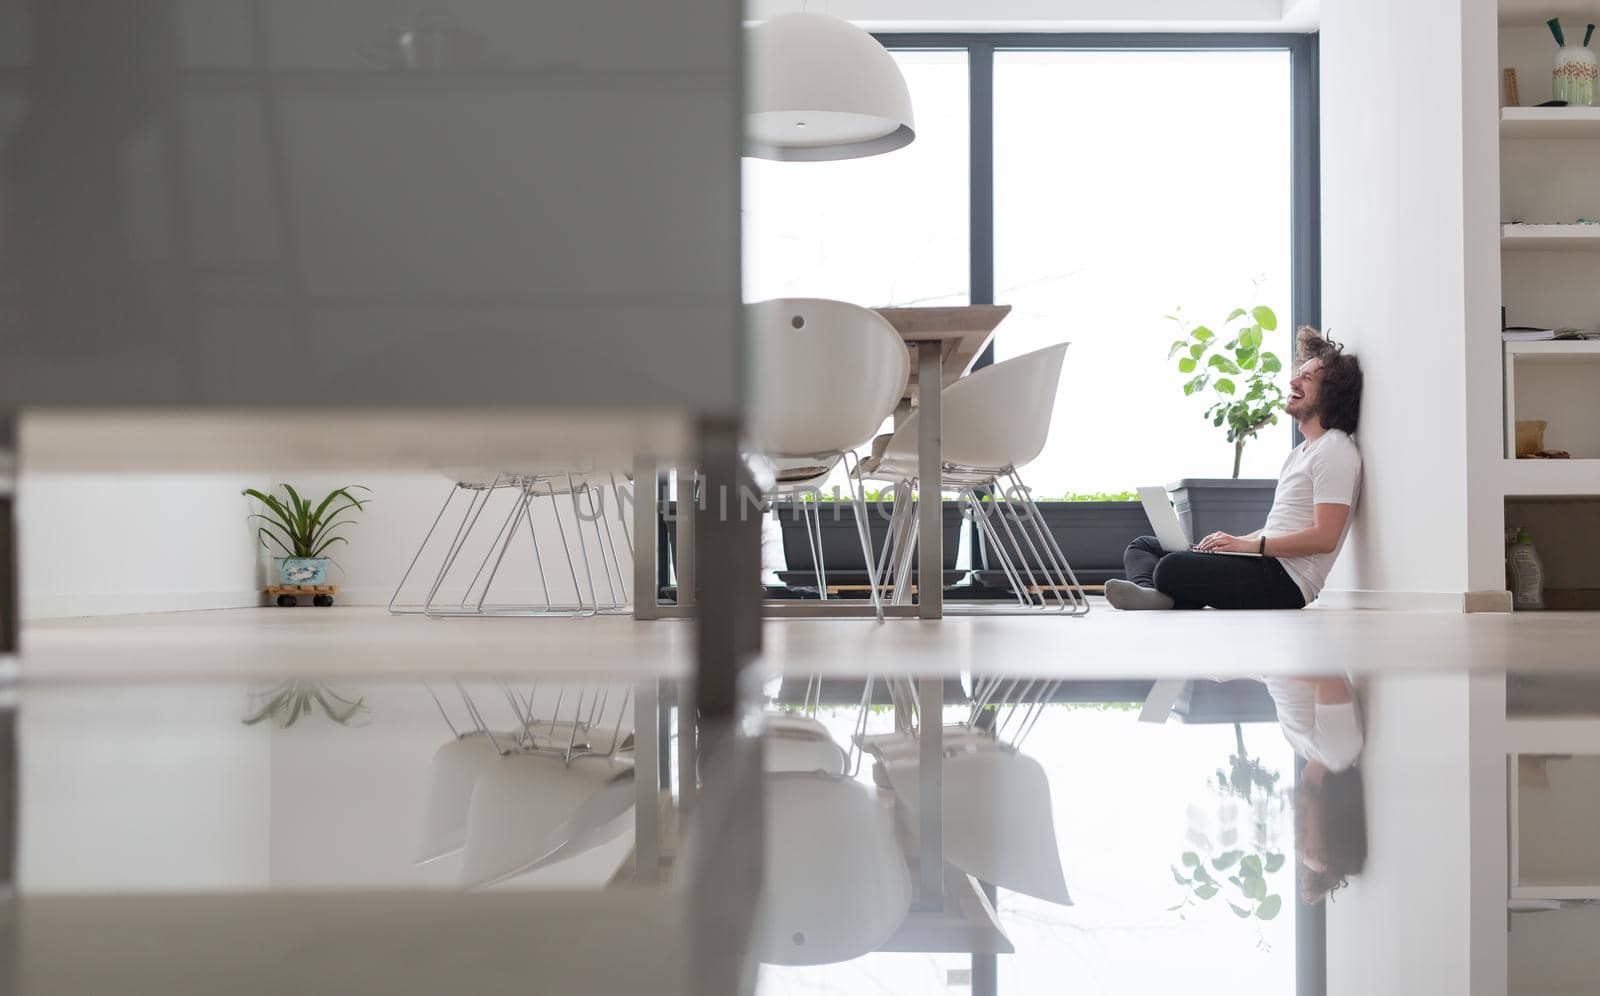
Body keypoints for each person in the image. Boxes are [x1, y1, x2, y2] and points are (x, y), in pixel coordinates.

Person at [1106, 327, 1363, 610]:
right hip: (1264, 561)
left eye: (1307, 377)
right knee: (1144, 545)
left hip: (1287, 581)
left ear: (1330, 394)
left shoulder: (1335, 449)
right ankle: (1153, 595)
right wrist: (1236, 542)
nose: (1292, 380)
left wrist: (1253, 547)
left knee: (1171, 567)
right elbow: (1276, 528)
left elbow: (1325, 537)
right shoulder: (1298, 454)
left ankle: (1162, 592)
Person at [1263, 675, 1367, 903]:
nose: (1299, 845)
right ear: (1333, 829)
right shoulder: (1337, 751)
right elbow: (1329, 679)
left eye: (1302, 855)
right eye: (1310, 851)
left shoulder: (1303, 748)